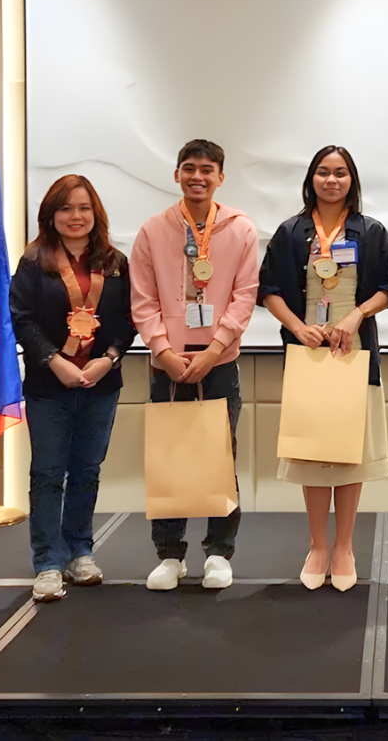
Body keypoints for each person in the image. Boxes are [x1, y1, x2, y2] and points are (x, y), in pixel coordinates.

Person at [259, 145, 388, 592]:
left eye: (340, 173)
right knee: (313, 454)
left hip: (354, 354)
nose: (331, 180)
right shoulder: (291, 231)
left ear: (352, 179)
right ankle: (318, 545)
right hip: (308, 354)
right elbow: (271, 290)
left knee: (348, 455)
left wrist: (355, 316)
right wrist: (300, 329)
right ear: (311, 179)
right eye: (323, 172)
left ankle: (345, 547)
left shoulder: (370, 231)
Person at [130, 139, 259, 591]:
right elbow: (142, 300)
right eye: (189, 168)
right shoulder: (153, 230)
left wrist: (212, 351)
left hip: (219, 361)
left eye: (207, 169)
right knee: (169, 455)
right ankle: (169, 554)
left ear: (220, 177)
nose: (197, 177)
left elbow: (245, 297)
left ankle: (219, 552)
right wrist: (163, 351)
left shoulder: (241, 229)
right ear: (177, 175)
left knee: (220, 456)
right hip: (165, 363)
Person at [10, 174, 136, 602]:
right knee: (47, 474)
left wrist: (110, 357)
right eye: (65, 208)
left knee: (87, 471)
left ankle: (81, 552)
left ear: (94, 213)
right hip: (49, 387)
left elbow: (129, 321)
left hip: (101, 384)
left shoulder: (116, 263)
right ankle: (47, 562)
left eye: (83, 208)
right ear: (51, 215)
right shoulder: (34, 261)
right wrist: (53, 360)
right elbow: (21, 319)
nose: (75, 216)